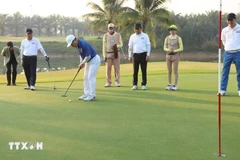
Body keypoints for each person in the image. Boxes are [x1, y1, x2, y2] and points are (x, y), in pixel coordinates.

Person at [66, 35, 101, 101]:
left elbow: (88, 56)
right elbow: (81, 55)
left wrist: (82, 63)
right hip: (88, 62)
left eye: (71, 44)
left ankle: (92, 95)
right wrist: (81, 62)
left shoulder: (83, 44)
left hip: (94, 60)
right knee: (85, 77)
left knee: (91, 77)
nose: (71, 45)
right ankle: (86, 93)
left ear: (75, 40)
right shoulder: (78, 46)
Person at [220, 13, 240, 96]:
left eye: (231, 22)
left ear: (235, 19)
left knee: (239, 72)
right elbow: (223, 40)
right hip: (228, 53)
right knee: (225, 72)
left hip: (238, 52)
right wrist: (228, 47)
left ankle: (239, 89)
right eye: (228, 22)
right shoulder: (225, 30)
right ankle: (223, 89)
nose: (230, 24)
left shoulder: (239, 28)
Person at [128, 22, 151, 90]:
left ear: (141, 29)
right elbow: (130, 46)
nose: (136, 30)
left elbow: (148, 45)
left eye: (137, 29)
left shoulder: (145, 36)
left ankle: (143, 84)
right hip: (135, 55)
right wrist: (130, 55)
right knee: (135, 71)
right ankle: (135, 84)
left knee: (144, 70)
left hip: (143, 54)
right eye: (135, 29)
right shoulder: (132, 36)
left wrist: (148, 55)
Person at [163, 24, 184, 91]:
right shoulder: (167, 38)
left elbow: (181, 48)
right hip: (168, 56)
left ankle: (175, 85)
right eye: (171, 30)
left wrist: (174, 50)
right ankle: (169, 84)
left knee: (175, 71)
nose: (172, 31)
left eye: (173, 30)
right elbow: (164, 47)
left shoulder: (178, 38)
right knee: (169, 71)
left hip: (175, 56)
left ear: (175, 30)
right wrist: (168, 50)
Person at [102, 23, 123, 87]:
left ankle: (117, 81)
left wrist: (116, 46)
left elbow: (121, 44)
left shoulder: (118, 35)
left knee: (117, 68)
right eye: (109, 28)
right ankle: (108, 82)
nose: (111, 29)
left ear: (114, 28)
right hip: (108, 53)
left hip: (116, 53)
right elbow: (104, 47)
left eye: (112, 28)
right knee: (108, 69)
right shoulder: (105, 35)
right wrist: (104, 56)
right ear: (108, 29)